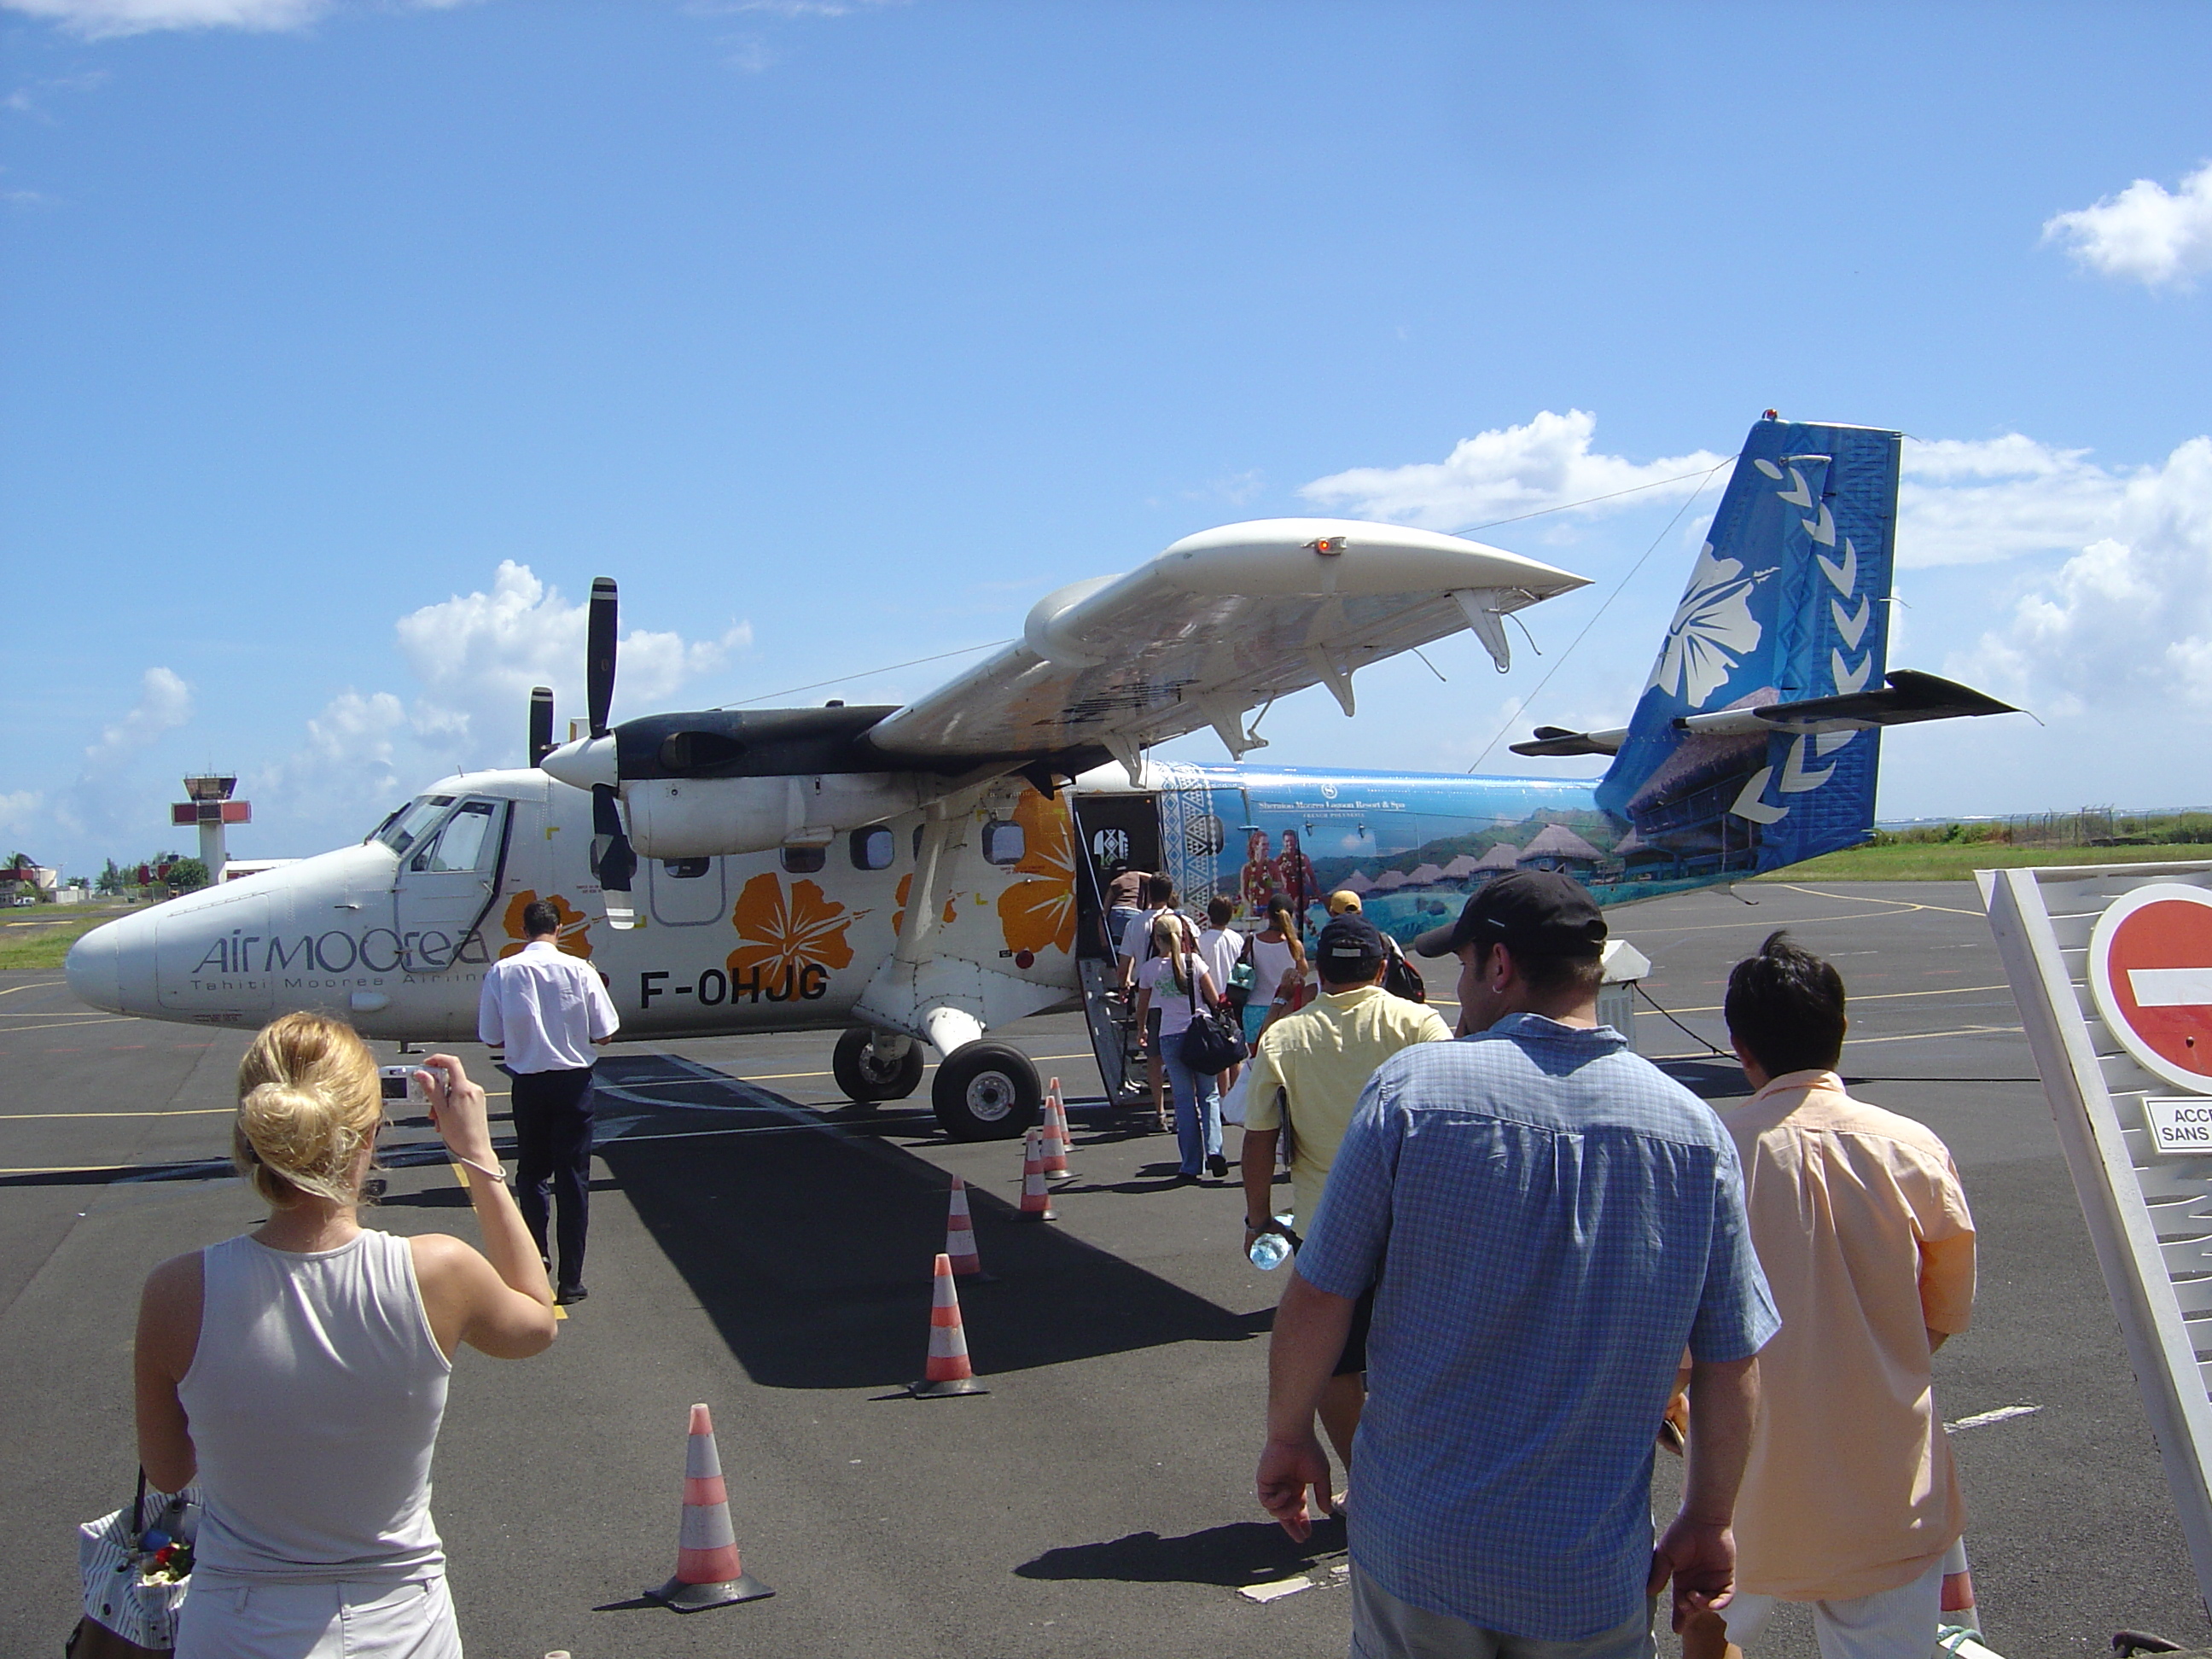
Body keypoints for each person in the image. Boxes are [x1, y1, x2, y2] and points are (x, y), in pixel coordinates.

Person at [1257, 870, 1779, 1659]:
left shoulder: (1412, 1092)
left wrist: (1290, 1432)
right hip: (1585, 1568)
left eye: (1464, 969)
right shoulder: (1694, 1132)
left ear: (1498, 966)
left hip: (1419, 1543)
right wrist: (1708, 1519)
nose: (1460, 994)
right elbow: (1730, 1357)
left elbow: (1322, 1291)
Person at [136, 1013, 557, 1659]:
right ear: (369, 1132)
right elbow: (535, 1320)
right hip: (399, 1620)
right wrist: (477, 1156)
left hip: (235, 1622)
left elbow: (170, 1471)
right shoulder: (436, 1270)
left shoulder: (177, 1290)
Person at [1684, 933, 1976, 1659]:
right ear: (1840, 1031)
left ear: (1739, 1045)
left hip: (1738, 1480)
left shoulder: (1703, 1148)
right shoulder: (1910, 1146)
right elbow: (1944, 1311)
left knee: (1702, 1634)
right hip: (1882, 1475)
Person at [1240, 913, 1451, 1479]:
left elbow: (1259, 1139)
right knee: (1418, 1360)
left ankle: (1368, 1480)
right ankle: (1422, 1475)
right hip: (1415, 1225)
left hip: (1324, 1226)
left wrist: (1258, 1219)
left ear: (1319, 973)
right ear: (1383, 969)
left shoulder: (1285, 1036)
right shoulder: (1422, 1024)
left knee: (1336, 1365)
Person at [478, 898, 620, 1304]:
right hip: (573, 1083)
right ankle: (571, 1278)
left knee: (532, 1174)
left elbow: (491, 1036)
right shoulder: (580, 969)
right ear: (559, 929)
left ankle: (535, 1254)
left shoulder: (502, 972)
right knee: (573, 1179)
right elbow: (605, 1032)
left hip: (528, 1082)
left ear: (524, 931)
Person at [1131, 911, 1229, 1180]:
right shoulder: (1194, 962)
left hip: (1170, 1035)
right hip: (1199, 1034)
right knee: (1208, 1095)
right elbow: (1212, 997)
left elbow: (1143, 1006)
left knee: (1184, 1102)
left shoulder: (1150, 969)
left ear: (1156, 938)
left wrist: (1142, 1028)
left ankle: (1190, 1164)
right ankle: (1215, 1150)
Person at [1244, 896, 1312, 1045]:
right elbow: (1304, 971)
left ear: (1267, 915)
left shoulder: (1251, 942)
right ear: (1291, 916)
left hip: (1255, 1008)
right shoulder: (1295, 945)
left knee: (1255, 1061)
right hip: (1286, 1008)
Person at [1196, 895, 1247, 1091]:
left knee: (1219, 1052)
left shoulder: (1201, 941)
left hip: (1212, 1000)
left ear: (1209, 915)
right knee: (1235, 1050)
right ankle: (1237, 1095)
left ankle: (1223, 1096)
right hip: (1234, 998)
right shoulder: (1237, 939)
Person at [1103, 859, 1151, 963]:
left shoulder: (1114, 882)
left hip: (1117, 911)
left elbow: (1105, 910)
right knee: (1134, 946)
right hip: (1134, 912)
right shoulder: (1135, 875)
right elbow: (1154, 879)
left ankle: (1118, 967)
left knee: (1119, 946)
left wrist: (1104, 940)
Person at [1274, 828, 1318, 936]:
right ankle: (1307, 926)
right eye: (1287, 841)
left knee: (1297, 909)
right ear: (1283, 843)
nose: (1290, 844)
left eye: (1292, 841)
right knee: (1291, 915)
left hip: (1300, 894)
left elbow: (1311, 876)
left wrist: (1317, 892)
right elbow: (1274, 882)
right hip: (1285, 894)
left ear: (1296, 842)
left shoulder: (1303, 858)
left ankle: (1308, 928)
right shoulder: (1278, 860)